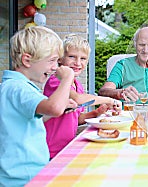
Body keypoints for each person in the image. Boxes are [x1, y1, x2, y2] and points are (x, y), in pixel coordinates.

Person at [0, 26, 76, 186]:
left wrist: (61, 107)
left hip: (21, 174)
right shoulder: (19, 88)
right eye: (51, 60)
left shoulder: (11, 86)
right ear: (27, 60)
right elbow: (54, 108)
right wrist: (68, 78)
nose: (56, 67)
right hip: (24, 177)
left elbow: (27, 122)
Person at [43, 34, 122, 159]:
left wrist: (97, 112)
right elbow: (78, 99)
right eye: (72, 57)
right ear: (60, 59)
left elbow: (76, 118)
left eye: (83, 58)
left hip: (67, 146)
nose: (78, 63)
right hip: (51, 149)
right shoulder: (57, 81)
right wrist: (109, 100)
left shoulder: (76, 84)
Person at [98, 26, 148, 109]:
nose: (146, 50)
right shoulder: (123, 65)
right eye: (141, 45)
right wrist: (120, 92)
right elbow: (103, 91)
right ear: (135, 44)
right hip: (129, 116)